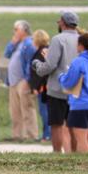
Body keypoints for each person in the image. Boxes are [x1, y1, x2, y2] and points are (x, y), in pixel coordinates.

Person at [32, 11, 80, 153]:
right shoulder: (82, 39)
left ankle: (57, 153)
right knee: (72, 125)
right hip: (76, 88)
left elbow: (50, 65)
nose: (58, 23)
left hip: (57, 88)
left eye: (59, 20)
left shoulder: (58, 39)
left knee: (56, 124)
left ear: (63, 23)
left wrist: (37, 66)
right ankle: (74, 154)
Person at [58, 32, 88, 153]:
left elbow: (69, 82)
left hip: (82, 103)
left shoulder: (79, 61)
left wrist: (61, 77)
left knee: (81, 137)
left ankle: (85, 162)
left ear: (81, 45)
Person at [4, 20, 39, 141]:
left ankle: (31, 134)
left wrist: (27, 80)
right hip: (13, 81)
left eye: (16, 29)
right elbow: (7, 54)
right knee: (15, 110)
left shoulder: (29, 44)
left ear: (24, 30)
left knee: (27, 108)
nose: (14, 32)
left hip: (23, 80)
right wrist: (12, 43)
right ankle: (17, 134)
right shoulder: (17, 43)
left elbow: (31, 62)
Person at [29, 29, 52, 142]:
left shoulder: (41, 52)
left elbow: (40, 71)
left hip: (43, 87)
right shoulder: (47, 50)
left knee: (44, 112)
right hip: (46, 86)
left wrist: (35, 87)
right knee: (45, 111)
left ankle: (47, 135)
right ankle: (47, 134)